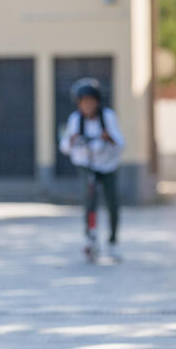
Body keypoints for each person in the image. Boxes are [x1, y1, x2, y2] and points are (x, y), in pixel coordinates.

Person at [58, 78, 125, 261]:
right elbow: (64, 147)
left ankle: (112, 242)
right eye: (83, 103)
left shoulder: (108, 117)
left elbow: (121, 144)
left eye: (91, 102)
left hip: (107, 165)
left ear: (97, 102)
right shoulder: (75, 120)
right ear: (78, 104)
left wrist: (108, 138)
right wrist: (72, 140)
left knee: (112, 203)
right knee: (90, 201)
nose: (87, 106)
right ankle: (90, 238)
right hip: (86, 166)